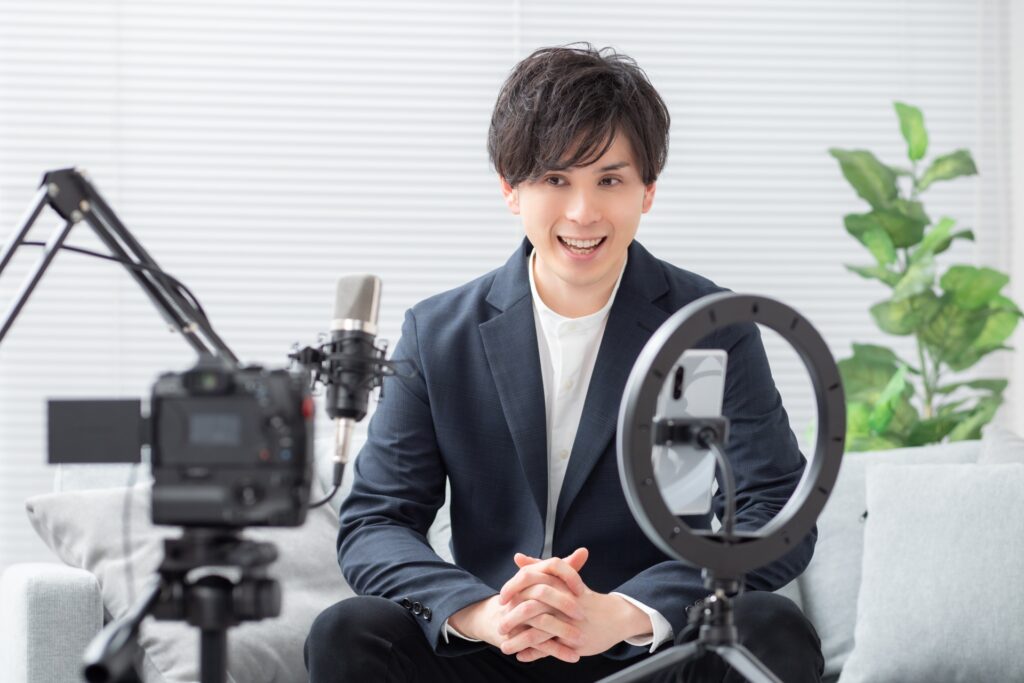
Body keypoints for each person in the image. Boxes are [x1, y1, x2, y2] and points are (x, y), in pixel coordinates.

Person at [305, 43, 824, 683]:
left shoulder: (710, 328)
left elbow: (775, 510)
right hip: (492, 648)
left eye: (609, 180)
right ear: (510, 188)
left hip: (648, 652)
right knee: (350, 631)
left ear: (648, 191)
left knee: (770, 626)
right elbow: (377, 520)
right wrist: (481, 613)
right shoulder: (437, 333)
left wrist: (626, 611)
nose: (582, 212)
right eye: (555, 180)